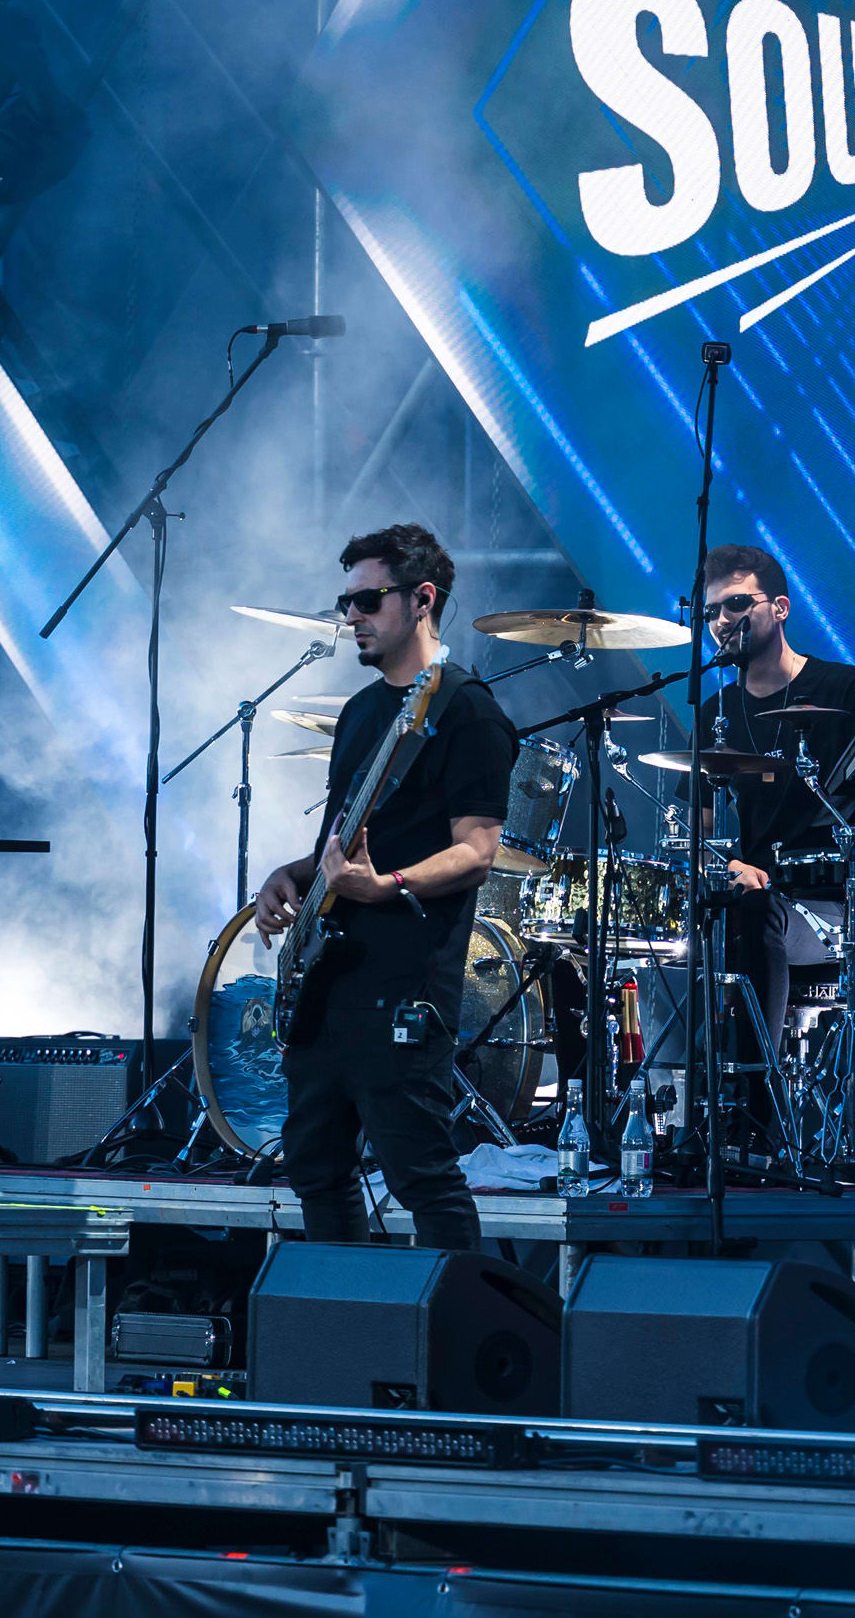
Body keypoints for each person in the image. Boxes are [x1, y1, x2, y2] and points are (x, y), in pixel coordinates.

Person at [251, 523, 513, 1251]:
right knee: (315, 1167)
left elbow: (478, 851)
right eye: (347, 602)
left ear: (423, 599)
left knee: (420, 1172)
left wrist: (386, 886)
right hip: (328, 975)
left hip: (404, 980)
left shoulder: (467, 711)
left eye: (367, 600)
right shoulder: (363, 711)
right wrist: (290, 876)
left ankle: (452, 1315)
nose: (351, 616)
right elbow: (339, 846)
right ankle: (345, 1313)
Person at [689, 545, 855, 1045]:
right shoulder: (716, 711)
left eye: (737, 604)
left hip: (837, 908)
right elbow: (699, 836)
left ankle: (759, 1090)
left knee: (751, 913)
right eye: (712, 612)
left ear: (780, 608)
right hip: (754, 896)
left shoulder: (846, 690)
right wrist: (727, 866)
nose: (722, 621)